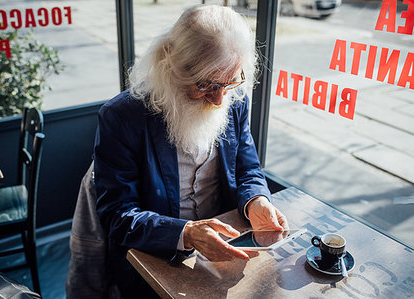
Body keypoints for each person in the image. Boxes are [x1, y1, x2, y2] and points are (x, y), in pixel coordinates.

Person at [94, 5, 289, 298]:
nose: (219, 98)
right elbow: (118, 217)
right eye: (206, 84)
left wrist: (256, 201)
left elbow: (248, 170)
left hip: (227, 251)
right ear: (171, 64)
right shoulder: (122, 117)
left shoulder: (234, 101)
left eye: (231, 81)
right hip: (156, 261)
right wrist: (186, 233)